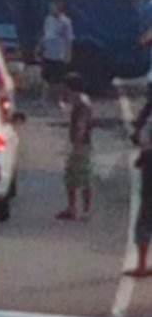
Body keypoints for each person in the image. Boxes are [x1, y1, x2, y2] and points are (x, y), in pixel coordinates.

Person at [57, 72, 93, 221]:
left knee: (83, 177)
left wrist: (76, 145)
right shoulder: (79, 101)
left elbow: (81, 125)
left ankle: (85, 210)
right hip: (78, 144)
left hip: (81, 146)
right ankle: (72, 208)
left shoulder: (82, 103)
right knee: (70, 177)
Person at [38, 0, 74, 107]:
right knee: (45, 78)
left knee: (59, 79)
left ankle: (59, 101)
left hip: (59, 54)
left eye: (54, 7)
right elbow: (45, 35)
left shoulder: (66, 22)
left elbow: (68, 39)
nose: (52, 9)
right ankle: (44, 100)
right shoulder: (48, 19)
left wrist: (68, 54)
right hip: (48, 53)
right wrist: (40, 47)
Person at [126, 141, 152, 278]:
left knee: (143, 228)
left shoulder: (147, 153)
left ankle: (141, 266)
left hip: (149, 197)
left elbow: (137, 164)